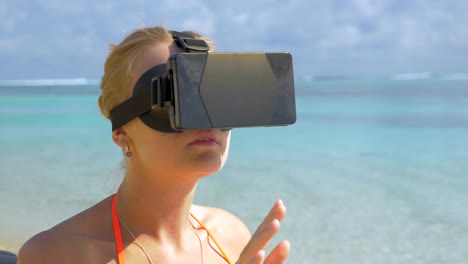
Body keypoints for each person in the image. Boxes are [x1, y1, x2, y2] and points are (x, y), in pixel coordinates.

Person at [17, 26, 290, 264]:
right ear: (122, 130)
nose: (206, 119)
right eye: (176, 99)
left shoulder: (231, 236)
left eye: (214, 94)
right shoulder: (56, 255)